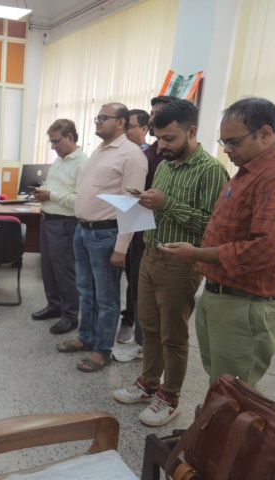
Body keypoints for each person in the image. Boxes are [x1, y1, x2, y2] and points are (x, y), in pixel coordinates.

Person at [160, 97, 275, 387]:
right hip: (224, 295)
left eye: (233, 142)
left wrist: (198, 254)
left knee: (234, 392)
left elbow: (264, 249)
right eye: (224, 142)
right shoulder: (252, 169)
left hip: (247, 304)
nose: (227, 150)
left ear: (265, 133)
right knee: (221, 384)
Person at [113, 99, 229, 427]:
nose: (161, 145)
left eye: (169, 138)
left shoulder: (211, 170)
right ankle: (149, 383)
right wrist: (144, 201)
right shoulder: (164, 165)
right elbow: (160, 207)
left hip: (181, 264)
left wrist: (166, 204)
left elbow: (212, 228)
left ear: (192, 132)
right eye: (158, 138)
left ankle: (170, 397)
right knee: (148, 328)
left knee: (173, 336)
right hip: (150, 254)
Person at [56, 102, 147, 372]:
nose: (97, 121)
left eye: (103, 117)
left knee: (106, 298)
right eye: (97, 117)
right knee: (86, 291)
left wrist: (122, 247)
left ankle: (103, 349)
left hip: (106, 233)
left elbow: (132, 205)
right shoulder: (100, 150)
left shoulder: (131, 155)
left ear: (120, 122)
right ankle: (86, 337)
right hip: (83, 230)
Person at [113, 99, 175, 355]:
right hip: (138, 232)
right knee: (137, 289)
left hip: (162, 236)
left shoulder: (172, 157)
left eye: (158, 114)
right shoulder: (146, 154)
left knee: (153, 298)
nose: (152, 119)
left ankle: (146, 346)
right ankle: (140, 340)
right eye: (152, 114)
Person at [31, 120, 88, 334]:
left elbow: (80, 201)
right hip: (48, 220)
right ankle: (54, 306)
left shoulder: (82, 163)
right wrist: (42, 191)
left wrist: (51, 195)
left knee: (65, 271)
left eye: (56, 141)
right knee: (48, 268)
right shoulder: (59, 159)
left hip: (65, 223)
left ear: (70, 137)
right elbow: (55, 187)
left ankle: (70, 316)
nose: (53, 146)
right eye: (51, 142)